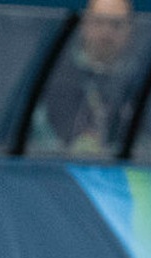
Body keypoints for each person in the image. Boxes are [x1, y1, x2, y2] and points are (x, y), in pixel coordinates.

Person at [33, 0, 139, 155]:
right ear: (84, 24)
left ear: (129, 30)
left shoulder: (143, 80)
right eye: (98, 22)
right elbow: (38, 131)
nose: (106, 32)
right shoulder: (53, 74)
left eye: (116, 24)